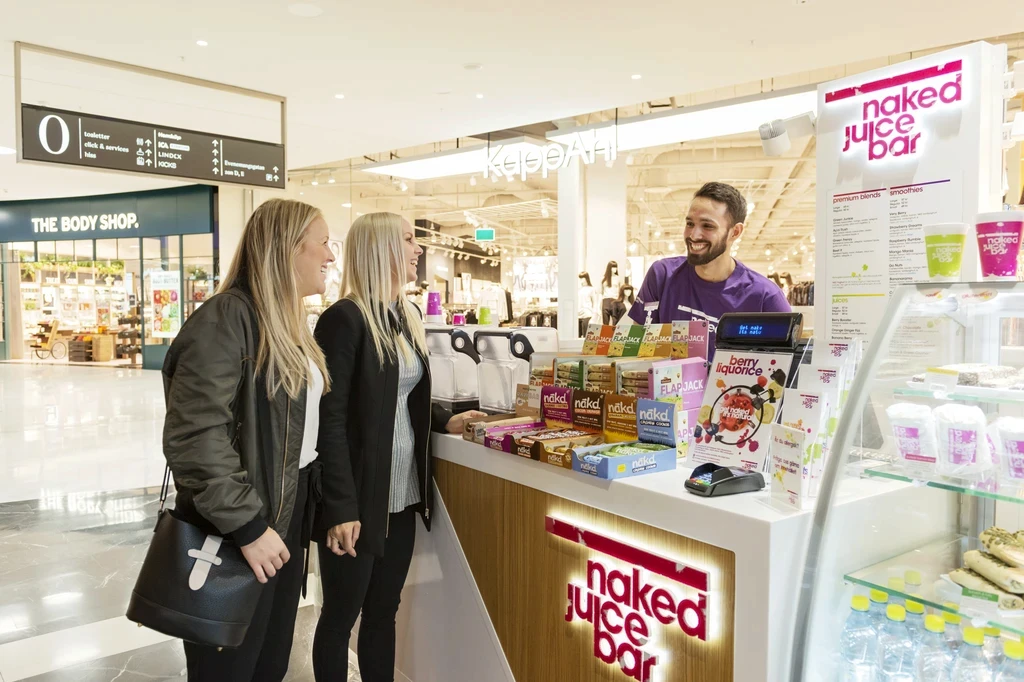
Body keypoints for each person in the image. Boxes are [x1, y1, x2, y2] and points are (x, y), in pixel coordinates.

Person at [161, 199, 335, 681]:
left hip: (281, 520)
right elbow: (195, 435)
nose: (330, 256)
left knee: (269, 664)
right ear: (289, 249)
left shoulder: (287, 324)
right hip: (238, 527)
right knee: (231, 668)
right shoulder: (226, 320)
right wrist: (249, 527)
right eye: (323, 242)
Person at [312, 212, 485, 682]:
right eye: (408, 240)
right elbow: (329, 421)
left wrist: (447, 421)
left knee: (384, 610)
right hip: (359, 500)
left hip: (402, 495)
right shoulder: (343, 320)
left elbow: (402, 399)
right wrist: (341, 507)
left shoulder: (403, 316)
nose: (418, 249)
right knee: (340, 616)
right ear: (380, 249)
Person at [629, 181, 790, 341]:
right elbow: (637, 348)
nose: (694, 235)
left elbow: (787, 362)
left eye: (707, 226)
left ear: (735, 232)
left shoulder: (765, 297)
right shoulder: (662, 276)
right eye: (690, 223)